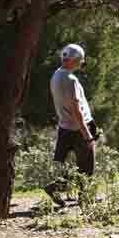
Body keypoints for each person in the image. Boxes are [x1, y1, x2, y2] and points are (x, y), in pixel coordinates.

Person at [44, 44, 99, 206]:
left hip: (65, 127)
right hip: (79, 128)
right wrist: (87, 134)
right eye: (80, 60)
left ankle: (58, 188)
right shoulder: (70, 80)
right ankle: (84, 198)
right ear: (74, 60)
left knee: (79, 167)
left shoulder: (56, 76)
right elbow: (76, 109)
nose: (81, 63)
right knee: (86, 167)